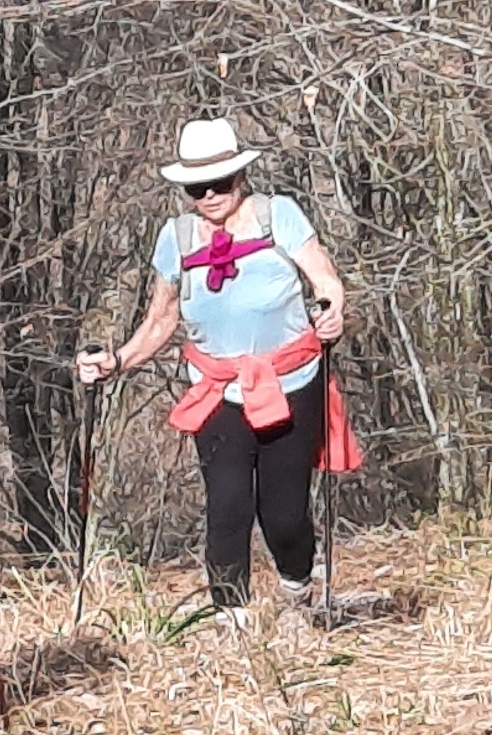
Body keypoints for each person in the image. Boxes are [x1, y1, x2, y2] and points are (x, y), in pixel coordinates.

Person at [76, 117, 355, 622]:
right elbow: (161, 318)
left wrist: (331, 308)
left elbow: (323, 275)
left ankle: (298, 592)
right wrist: (117, 361)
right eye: (195, 187)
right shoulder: (177, 238)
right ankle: (232, 622)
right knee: (226, 505)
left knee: (284, 512)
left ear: (240, 179)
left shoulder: (278, 216)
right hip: (216, 391)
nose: (208, 195)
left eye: (219, 183)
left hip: (290, 382)